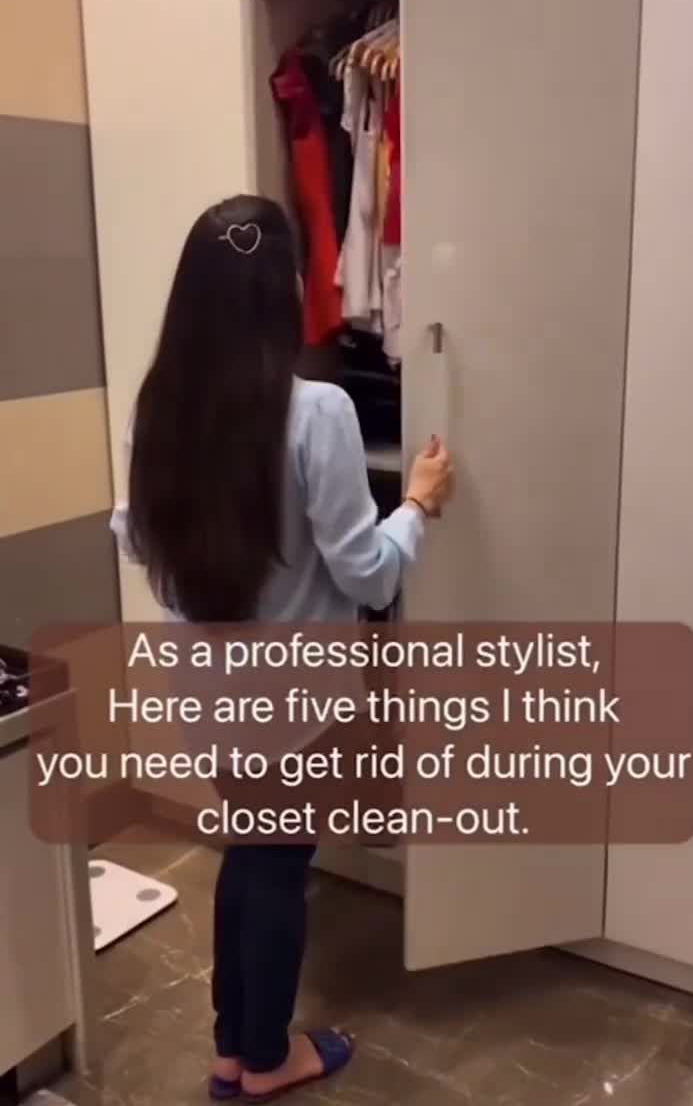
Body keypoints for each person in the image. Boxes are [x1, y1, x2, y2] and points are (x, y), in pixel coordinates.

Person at [111, 195, 453, 1102]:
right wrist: (417, 505)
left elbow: (135, 537)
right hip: (294, 708)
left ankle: (234, 1049)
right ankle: (266, 1059)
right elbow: (368, 575)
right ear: (284, 293)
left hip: (205, 698)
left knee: (251, 851)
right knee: (275, 864)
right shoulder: (318, 412)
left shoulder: (159, 409)